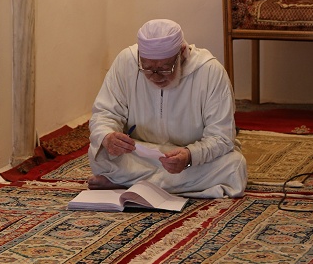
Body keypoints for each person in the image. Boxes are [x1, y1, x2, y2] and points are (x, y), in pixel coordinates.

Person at [87, 19, 247, 198]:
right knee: (100, 155)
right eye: (147, 68)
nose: (155, 77)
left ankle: (126, 183)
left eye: (164, 68)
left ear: (183, 53)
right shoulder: (126, 61)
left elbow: (222, 137)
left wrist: (189, 156)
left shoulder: (210, 71)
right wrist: (108, 137)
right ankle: (169, 185)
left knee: (234, 166)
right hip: (142, 154)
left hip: (191, 160)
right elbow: (104, 114)